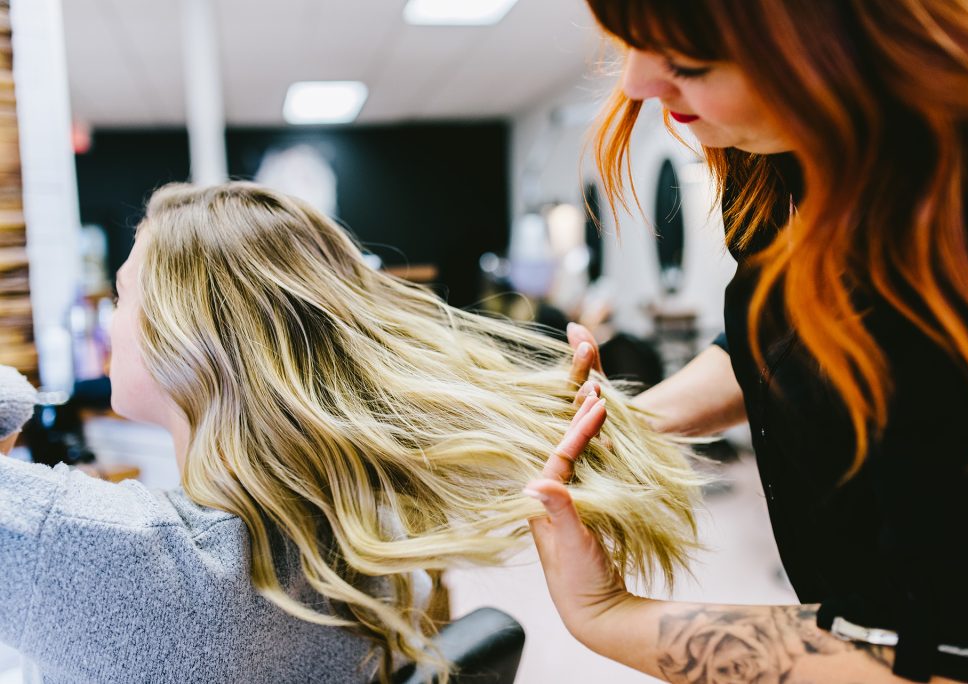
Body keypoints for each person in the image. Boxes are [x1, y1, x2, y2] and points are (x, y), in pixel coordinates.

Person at [0, 181, 703, 682]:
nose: (111, 320)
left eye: (123, 294)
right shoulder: (355, 523)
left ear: (185, 338)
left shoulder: (95, 545)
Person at [524, 1, 968, 682]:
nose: (637, 82)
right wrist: (628, 424)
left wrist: (607, 615)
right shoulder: (773, 166)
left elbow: (953, 658)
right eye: (628, 42)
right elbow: (776, 342)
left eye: (688, 61)